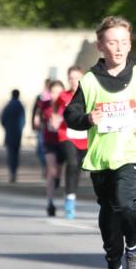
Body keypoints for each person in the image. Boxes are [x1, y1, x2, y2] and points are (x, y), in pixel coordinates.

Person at [65, 16, 136, 269]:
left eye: (123, 42)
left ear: (130, 44)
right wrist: (87, 118)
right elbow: (70, 115)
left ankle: (133, 249)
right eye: (112, 42)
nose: (118, 48)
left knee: (125, 203)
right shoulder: (90, 80)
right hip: (101, 157)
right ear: (100, 46)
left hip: (132, 152)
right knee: (109, 217)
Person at [57, 65, 88, 218]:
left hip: (85, 136)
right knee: (72, 163)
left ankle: (71, 195)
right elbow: (56, 111)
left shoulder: (89, 94)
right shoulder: (63, 96)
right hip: (67, 134)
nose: (74, 81)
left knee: (80, 169)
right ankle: (69, 200)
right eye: (71, 78)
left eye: (77, 78)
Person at [40, 79, 67, 217]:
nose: (56, 95)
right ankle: (50, 202)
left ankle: (56, 180)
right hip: (49, 141)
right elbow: (43, 119)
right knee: (51, 170)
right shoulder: (45, 106)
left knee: (57, 172)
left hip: (62, 141)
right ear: (49, 93)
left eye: (59, 92)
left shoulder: (66, 105)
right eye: (53, 92)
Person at [0, 89, 25, 183]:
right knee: (16, 154)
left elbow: (2, 118)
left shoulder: (8, 106)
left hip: (9, 132)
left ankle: (11, 171)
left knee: (10, 154)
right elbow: (23, 120)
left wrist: (6, 127)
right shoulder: (20, 106)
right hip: (17, 133)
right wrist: (20, 129)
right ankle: (14, 171)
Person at [32, 79, 51, 177]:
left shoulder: (55, 96)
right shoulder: (41, 96)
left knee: (46, 148)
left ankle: (48, 168)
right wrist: (35, 120)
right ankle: (45, 166)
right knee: (40, 149)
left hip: (50, 126)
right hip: (42, 125)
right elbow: (37, 109)